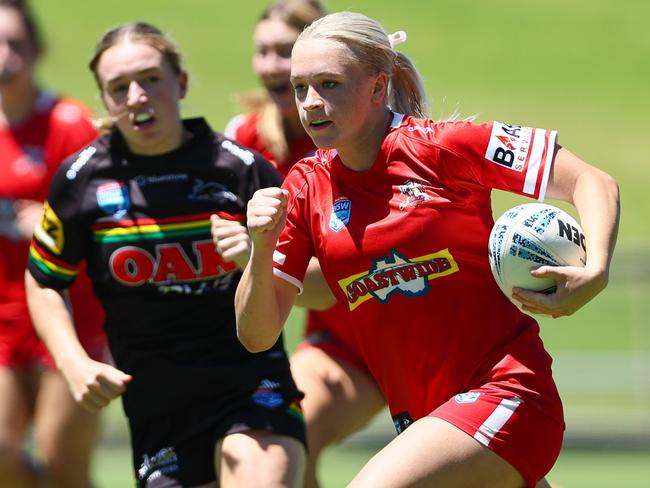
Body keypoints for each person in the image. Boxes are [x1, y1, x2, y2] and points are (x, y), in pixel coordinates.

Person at [234, 11, 620, 488]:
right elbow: (257, 334)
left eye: (330, 84)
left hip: (508, 393)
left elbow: (589, 179)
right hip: (424, 420)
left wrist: (597, 268)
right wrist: (261, 244)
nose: (310, 104)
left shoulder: (443, 148)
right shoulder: (304, 187)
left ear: (378, 87)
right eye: (300, 88)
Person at [24, 21, 306, 488]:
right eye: (119, 87)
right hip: (158, 405)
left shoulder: (240, 171)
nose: (137, 96)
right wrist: (72, 362)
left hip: (251, 384)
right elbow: (44, 278)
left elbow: (317, 287)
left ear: (181, 83)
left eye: (151, 78)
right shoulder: (81, 181)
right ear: (106, 100)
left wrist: (257, 255)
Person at [222, 2, 385, 486]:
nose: (272, 64)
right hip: (344, 349)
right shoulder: (246, 141)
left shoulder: (375, 136)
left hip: (413, 320)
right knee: (291, 432)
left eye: (284, 51)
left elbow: (349, 274)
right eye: (263, 52)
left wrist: (256, 257)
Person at [0, 1, 107, 486]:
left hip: (69, 318)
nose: (5, 55)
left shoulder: (68, 123)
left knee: (63, 464)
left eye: (16, 43)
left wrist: (46, 222)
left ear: (36, 49)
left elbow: (104, 217)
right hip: (4, 321)